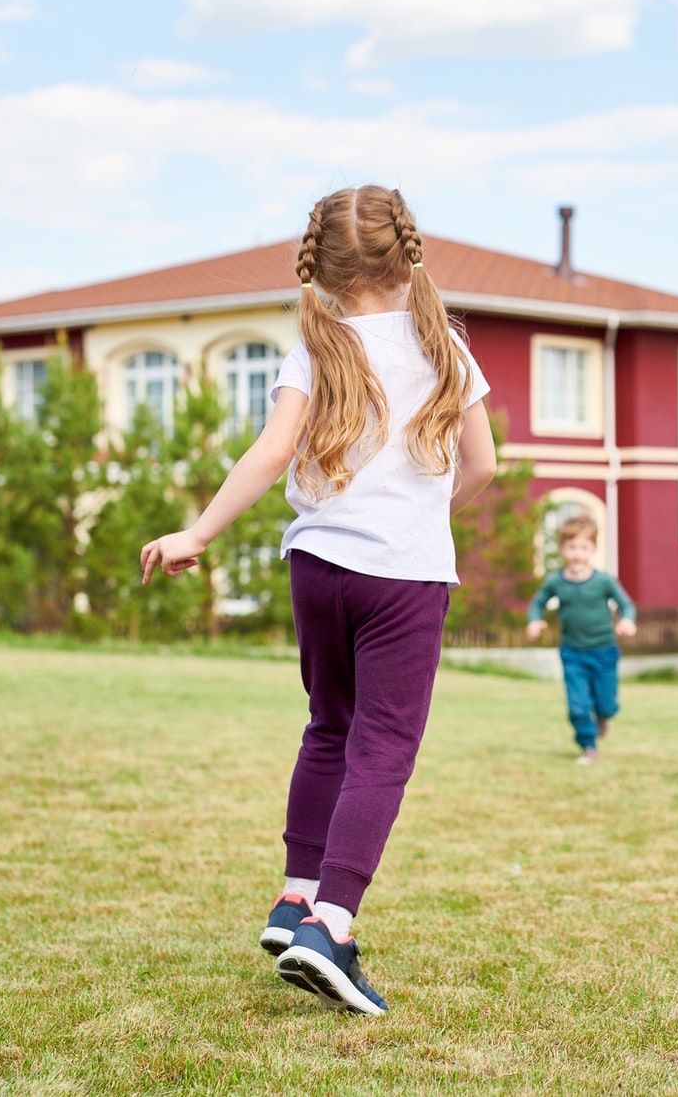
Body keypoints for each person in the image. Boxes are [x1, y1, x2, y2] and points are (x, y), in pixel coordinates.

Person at [140, 186, 496, 1017]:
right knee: (384, 746)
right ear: (408, 254)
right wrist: (418, 515)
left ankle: (297, 895)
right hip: (402, 576)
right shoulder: (443, 346)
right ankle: (331, 924)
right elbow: (482, 468)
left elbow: (271, 452)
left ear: (326, 270)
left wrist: (198, 532)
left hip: (319, 566)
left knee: (330, 726)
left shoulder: (316, 343)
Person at [525, 515, 637, 763]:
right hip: (572, 653)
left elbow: (626, 604)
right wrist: (534, 621)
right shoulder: (556, 581)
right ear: (563, 549)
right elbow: (538, 603)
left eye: (583, 547)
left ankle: (604, 717)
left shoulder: (603, 580)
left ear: (593, 549)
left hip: (604, 651)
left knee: (607, 704)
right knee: (577, 705)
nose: (577, 553)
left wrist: (627, 620)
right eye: (571, 547)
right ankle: (588, 746)